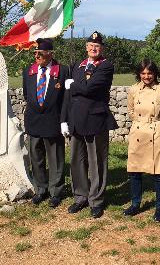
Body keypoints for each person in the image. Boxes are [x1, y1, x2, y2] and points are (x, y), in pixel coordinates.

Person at [61, 31, 117, 218]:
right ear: (86, 47)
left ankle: (96, 200)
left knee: (97, 163)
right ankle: (80, 197)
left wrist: (73, 85)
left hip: (95, 119)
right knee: (77, 161)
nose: (94, 48)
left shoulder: (106, 66)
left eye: (97, 46)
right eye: (91, 45)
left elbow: (89, 88)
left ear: (102, 49)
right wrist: (64, 119)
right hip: (76, 119)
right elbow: (68, 95)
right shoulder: (77, 65)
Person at [123, 59, 160, 222]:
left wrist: (158, 125)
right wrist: (139, 122)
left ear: (155, 73)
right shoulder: (133, 90)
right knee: (135, 171)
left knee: (159, 173)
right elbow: (130, 110)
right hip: (137, 131)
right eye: (143, 73)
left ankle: (159, 208)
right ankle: (135, 204)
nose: (146, 76)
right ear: (139, 74)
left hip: (155, 132)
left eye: (149, 73)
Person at [22, 38, 69, 208]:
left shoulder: (63, 71)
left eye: (40, 53)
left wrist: (64, 121)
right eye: (35, 53)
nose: (37, 56)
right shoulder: (29, 71)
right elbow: (27, 95)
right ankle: (40, 189)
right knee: (36, 157)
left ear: (50, 54)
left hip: (53, 120)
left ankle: (56, 191)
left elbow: (66, 99)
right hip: (34, 120)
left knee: (55, 158)